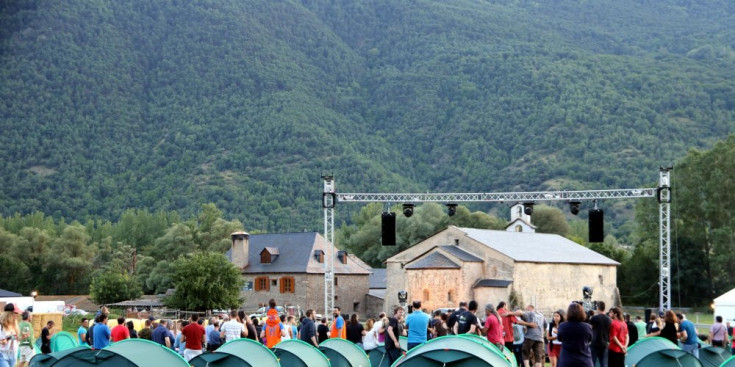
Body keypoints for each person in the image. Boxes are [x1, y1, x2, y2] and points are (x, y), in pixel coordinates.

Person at [557, 302, 593, 367]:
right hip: (584, 360)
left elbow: (559, 338)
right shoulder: (587, 327)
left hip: (567, 360)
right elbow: (589, 339)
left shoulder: (563, 326)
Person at [589, 301, 611, 367]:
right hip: (604, 344)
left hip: (594, 343)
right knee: (604, 364)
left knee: (592, 363)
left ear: (598, 307)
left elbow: (590, 328)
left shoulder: (594, 318)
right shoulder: (609, 319)